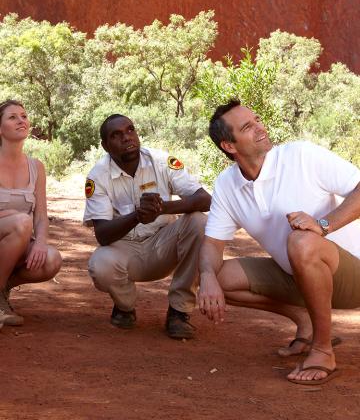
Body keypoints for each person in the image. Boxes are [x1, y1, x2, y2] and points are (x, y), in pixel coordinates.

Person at [198, 99, 360, 385]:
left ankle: (322, 350)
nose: (260, 128)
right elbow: (212, 244)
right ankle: (307, 321)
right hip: (299, 278)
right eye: (248, 127)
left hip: (353, 273)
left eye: (258, 119)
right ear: (229, 146)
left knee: (302, 242)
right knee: (218, 279)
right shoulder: (226, 184)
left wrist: (324, 225)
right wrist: (207, 275)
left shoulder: (301, 155)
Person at [84, 113, 210, 339]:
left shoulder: (161, 161)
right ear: (105, 145)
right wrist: (136, 216)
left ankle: (179, 312)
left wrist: (162, 209)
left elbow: (205, 199)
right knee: (99, 263)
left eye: (130, 130)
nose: (127, 138)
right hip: (125, 251)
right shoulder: (97, 176)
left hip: (163, 244)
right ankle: (125, 307)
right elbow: (102, 235)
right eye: (116, 135)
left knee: (200, 222)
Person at [0, 99, 62, 327]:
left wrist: (40, 242)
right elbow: (26, 221)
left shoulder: (37, 167)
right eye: (12, 117)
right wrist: (13, 219)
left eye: (24, 116)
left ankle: (1, 288)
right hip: (9, 231)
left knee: (51, 260)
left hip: (18, 237)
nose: (21, 121)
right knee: (22, 222)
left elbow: (41, 216)